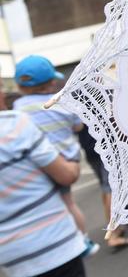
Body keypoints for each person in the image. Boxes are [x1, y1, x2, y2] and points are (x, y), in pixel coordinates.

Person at [12, 55, 99, 257]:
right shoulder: (60, 103)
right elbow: (78, 126)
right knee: (68, 202)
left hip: (36, 164)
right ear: (51, 82)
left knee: (47, 205)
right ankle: (82, 240)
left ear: (19, 86)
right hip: (66, 161)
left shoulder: (18, 108)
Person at [0, 104, 88, 277]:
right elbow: (66, 176)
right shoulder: (13, 123)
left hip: (11, 256)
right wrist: (72, 162)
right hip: (53, 243)